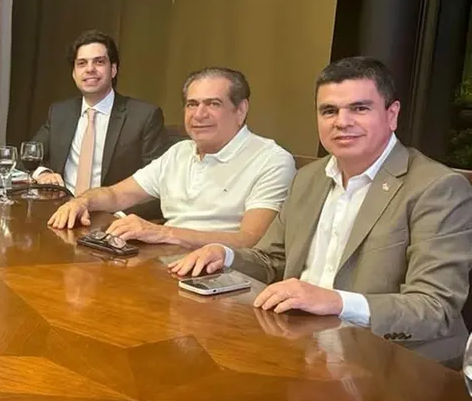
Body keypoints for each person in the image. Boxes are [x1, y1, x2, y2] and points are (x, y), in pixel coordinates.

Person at [170, 56, 472, 362]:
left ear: (392, 115)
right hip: (299, 345)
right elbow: (271, 259)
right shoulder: (309, 179)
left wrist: (336, 302)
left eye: (359, 108)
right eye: (329, 111)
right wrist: (225, 254)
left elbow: (435, 308)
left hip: (393, 363)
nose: (342, 121)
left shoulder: (437, 188)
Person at [49, 67, 295, 249]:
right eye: (191, 104)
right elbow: (116, 195)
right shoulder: (180, 152)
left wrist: (162, 232)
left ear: (240, 110)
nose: (199, 114)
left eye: (213, 104)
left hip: (222, 278)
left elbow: (251, 240)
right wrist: (82, 202)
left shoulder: (271, 160)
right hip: (164, 261)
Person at [30, 30, 167, 196]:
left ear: (113, 70)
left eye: (99, 62)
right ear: (74, 74)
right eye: (81, 63)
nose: (90, 69)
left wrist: (121, 216)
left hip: (112, 214)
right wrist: (43, 174)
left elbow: (158, 181)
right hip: (61, 210)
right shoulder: (60, 112)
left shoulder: (144, 116)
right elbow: (27, 156)